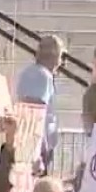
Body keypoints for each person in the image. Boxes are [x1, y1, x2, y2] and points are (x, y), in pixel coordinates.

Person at [16, 34, 65, 171]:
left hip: (32, 146)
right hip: (37, 149)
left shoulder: (29, 72)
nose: (61, 62)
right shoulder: (42, 76)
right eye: (60, 57)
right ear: (54, 56)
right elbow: (33, 112)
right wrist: (36, 153)